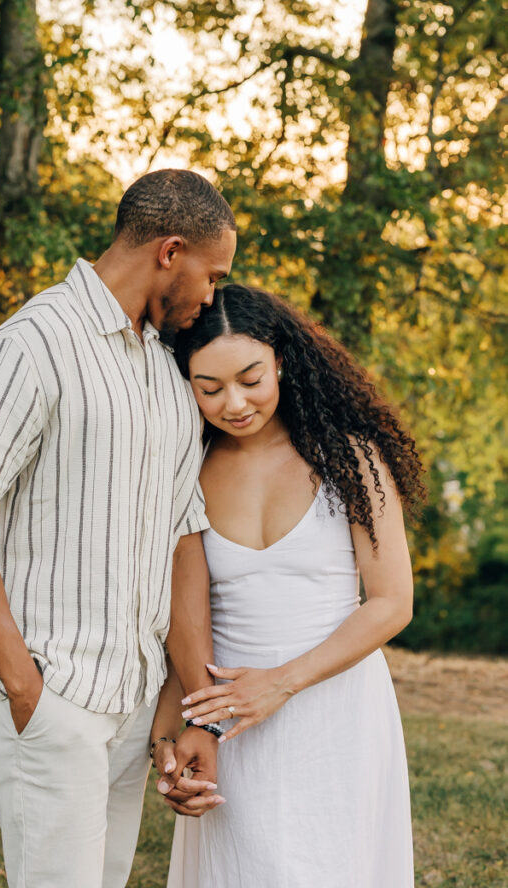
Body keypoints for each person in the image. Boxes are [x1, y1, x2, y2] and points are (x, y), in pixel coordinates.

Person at [0, 168, 237, 888]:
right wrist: (26, 688)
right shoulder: (31, 344)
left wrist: (192, 712)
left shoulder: (164, 375)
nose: (211, 298)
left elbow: (183, 542)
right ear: (170, 251)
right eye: (211, 276)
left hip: (129, 707)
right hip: (50, 699)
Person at [150, 282, 424, 887]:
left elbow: (391, 603)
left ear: (280, 358)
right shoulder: (184, 470)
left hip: (336, 708)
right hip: (230, 719)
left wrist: (278, 685)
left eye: (251, 378)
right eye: (210, 388)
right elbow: (186, 615)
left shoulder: (349, 459)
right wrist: (177, 733)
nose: (235, 403)